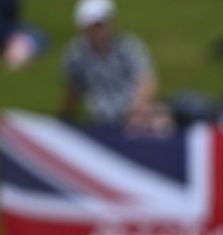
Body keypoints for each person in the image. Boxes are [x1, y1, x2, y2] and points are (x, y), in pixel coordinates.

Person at [60, 0, 171, 134]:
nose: (98, 31)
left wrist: (136, 110)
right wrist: (64, 121)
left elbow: (147, 80)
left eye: (101, 25)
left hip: (134, 115)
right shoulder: (76, 56)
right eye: (93, 26)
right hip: (101, 120)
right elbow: (73, 90)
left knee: (161, 121)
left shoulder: (130, 48)